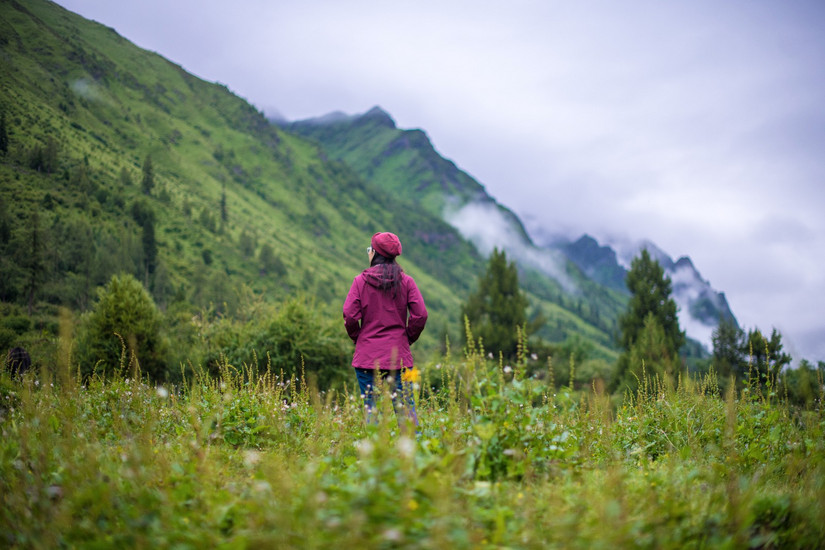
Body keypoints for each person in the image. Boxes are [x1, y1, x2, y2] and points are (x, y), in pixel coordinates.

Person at [343, 232, 427, 431]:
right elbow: (420, 315)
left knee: (371, 411)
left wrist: (359, 338)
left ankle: (375, 457)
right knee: (406, 411)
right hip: (399, 359)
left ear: (374, 253)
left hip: (366, 358)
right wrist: (407, 338)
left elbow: (350, 315)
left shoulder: (360, 281)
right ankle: (413, 457)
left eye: (369, 250)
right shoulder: (407, 282)